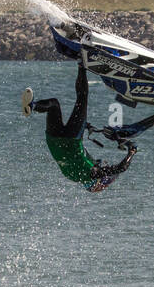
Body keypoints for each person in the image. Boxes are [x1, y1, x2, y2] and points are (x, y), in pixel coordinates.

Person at [23, 56, 135, 192]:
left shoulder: (91, 174)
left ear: (98, 179)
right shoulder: (73, 177)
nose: (100, 165)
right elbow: (73, 159)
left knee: (82, 97)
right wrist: (83, 125)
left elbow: (120, 168)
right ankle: (32, 106)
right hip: (53, 139)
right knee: (53, 105)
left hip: (71, 139)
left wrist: (131, 152)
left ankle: (82, 63)